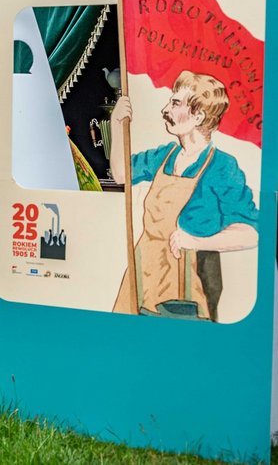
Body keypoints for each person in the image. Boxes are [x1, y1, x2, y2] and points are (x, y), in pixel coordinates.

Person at [109, 70, 258, 321]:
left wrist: (196, 242)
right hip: (143, 272)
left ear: (198, 115)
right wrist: (115, 124)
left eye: (175, 103)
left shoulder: (222, 167)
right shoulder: (164, 155)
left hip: (185, 287)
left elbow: (252, 232)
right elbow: (121, 175)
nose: (165, 109)